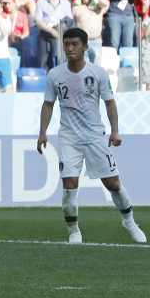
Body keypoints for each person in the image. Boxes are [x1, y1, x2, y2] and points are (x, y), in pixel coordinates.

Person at [37, 28, 146, 245]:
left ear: (86, 47)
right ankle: (74, 231)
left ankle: (129, 222)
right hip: (69, 137)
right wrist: (42, 133)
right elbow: (48, 104)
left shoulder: (98, 73)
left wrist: (115, 130)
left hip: (95, 136)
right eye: (66, 44)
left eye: (75, 44)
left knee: (113, 183)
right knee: (69, 183)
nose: (70, 48)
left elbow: (109, 102)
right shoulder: (55, 75)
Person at [72, 0, 107, 65]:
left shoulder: (99, 8)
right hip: (82, 41)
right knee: (81, 68)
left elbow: (106, 3)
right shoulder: (76, 8)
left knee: (96, 68)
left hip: (96, 40)